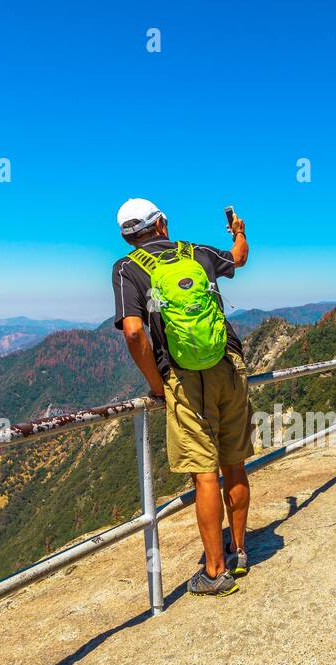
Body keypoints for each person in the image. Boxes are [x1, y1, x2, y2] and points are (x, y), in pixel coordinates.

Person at [112, 198, 252, 598]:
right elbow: (239, 259)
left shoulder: (127, 269)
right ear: (162, 224)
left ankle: (214, 571)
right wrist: (238, 230)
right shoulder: (198, 253)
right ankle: (240, 551)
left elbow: (135, 333)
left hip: (183, 379)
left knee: (205, 474)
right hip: (227, 363)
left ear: (127, 236)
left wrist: (157, 384)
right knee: (235, 463)